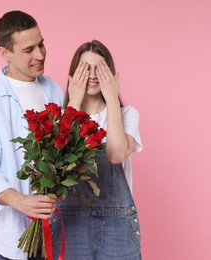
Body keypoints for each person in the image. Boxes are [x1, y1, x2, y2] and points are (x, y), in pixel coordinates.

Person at [0, 10, 63, 260]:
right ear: (5, 53)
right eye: (29, 49)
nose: (40, 55)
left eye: (41, 44)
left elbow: (62, 151)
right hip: (11, 244)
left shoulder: (53, 88)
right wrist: (20, 201)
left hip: (53, 235)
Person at [51, 40, 143, 259]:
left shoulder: (127, 114)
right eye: (85, 69)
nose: (92, 75)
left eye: (99, 69)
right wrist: (73, 101)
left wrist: (112, 97)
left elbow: (115, 155)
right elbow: (58, 165)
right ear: (73, 75)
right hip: (70, 225)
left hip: (117, 226)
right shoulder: (60, 117)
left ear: (111, 74)